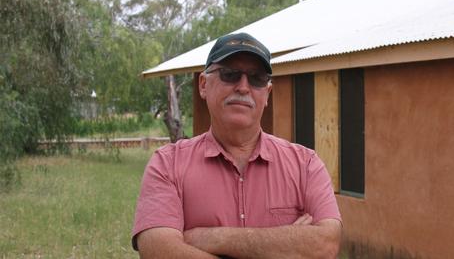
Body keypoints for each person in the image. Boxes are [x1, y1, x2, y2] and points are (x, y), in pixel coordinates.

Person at [131, 33, 342, 258]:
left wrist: (211, 238)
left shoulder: (306, 165)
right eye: (230, 74)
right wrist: (286, 244)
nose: (243, 87)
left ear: (267, 93)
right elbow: (158, 250)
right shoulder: (167, 164)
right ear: (203, 85)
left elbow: (326, 244)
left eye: (257, 78)